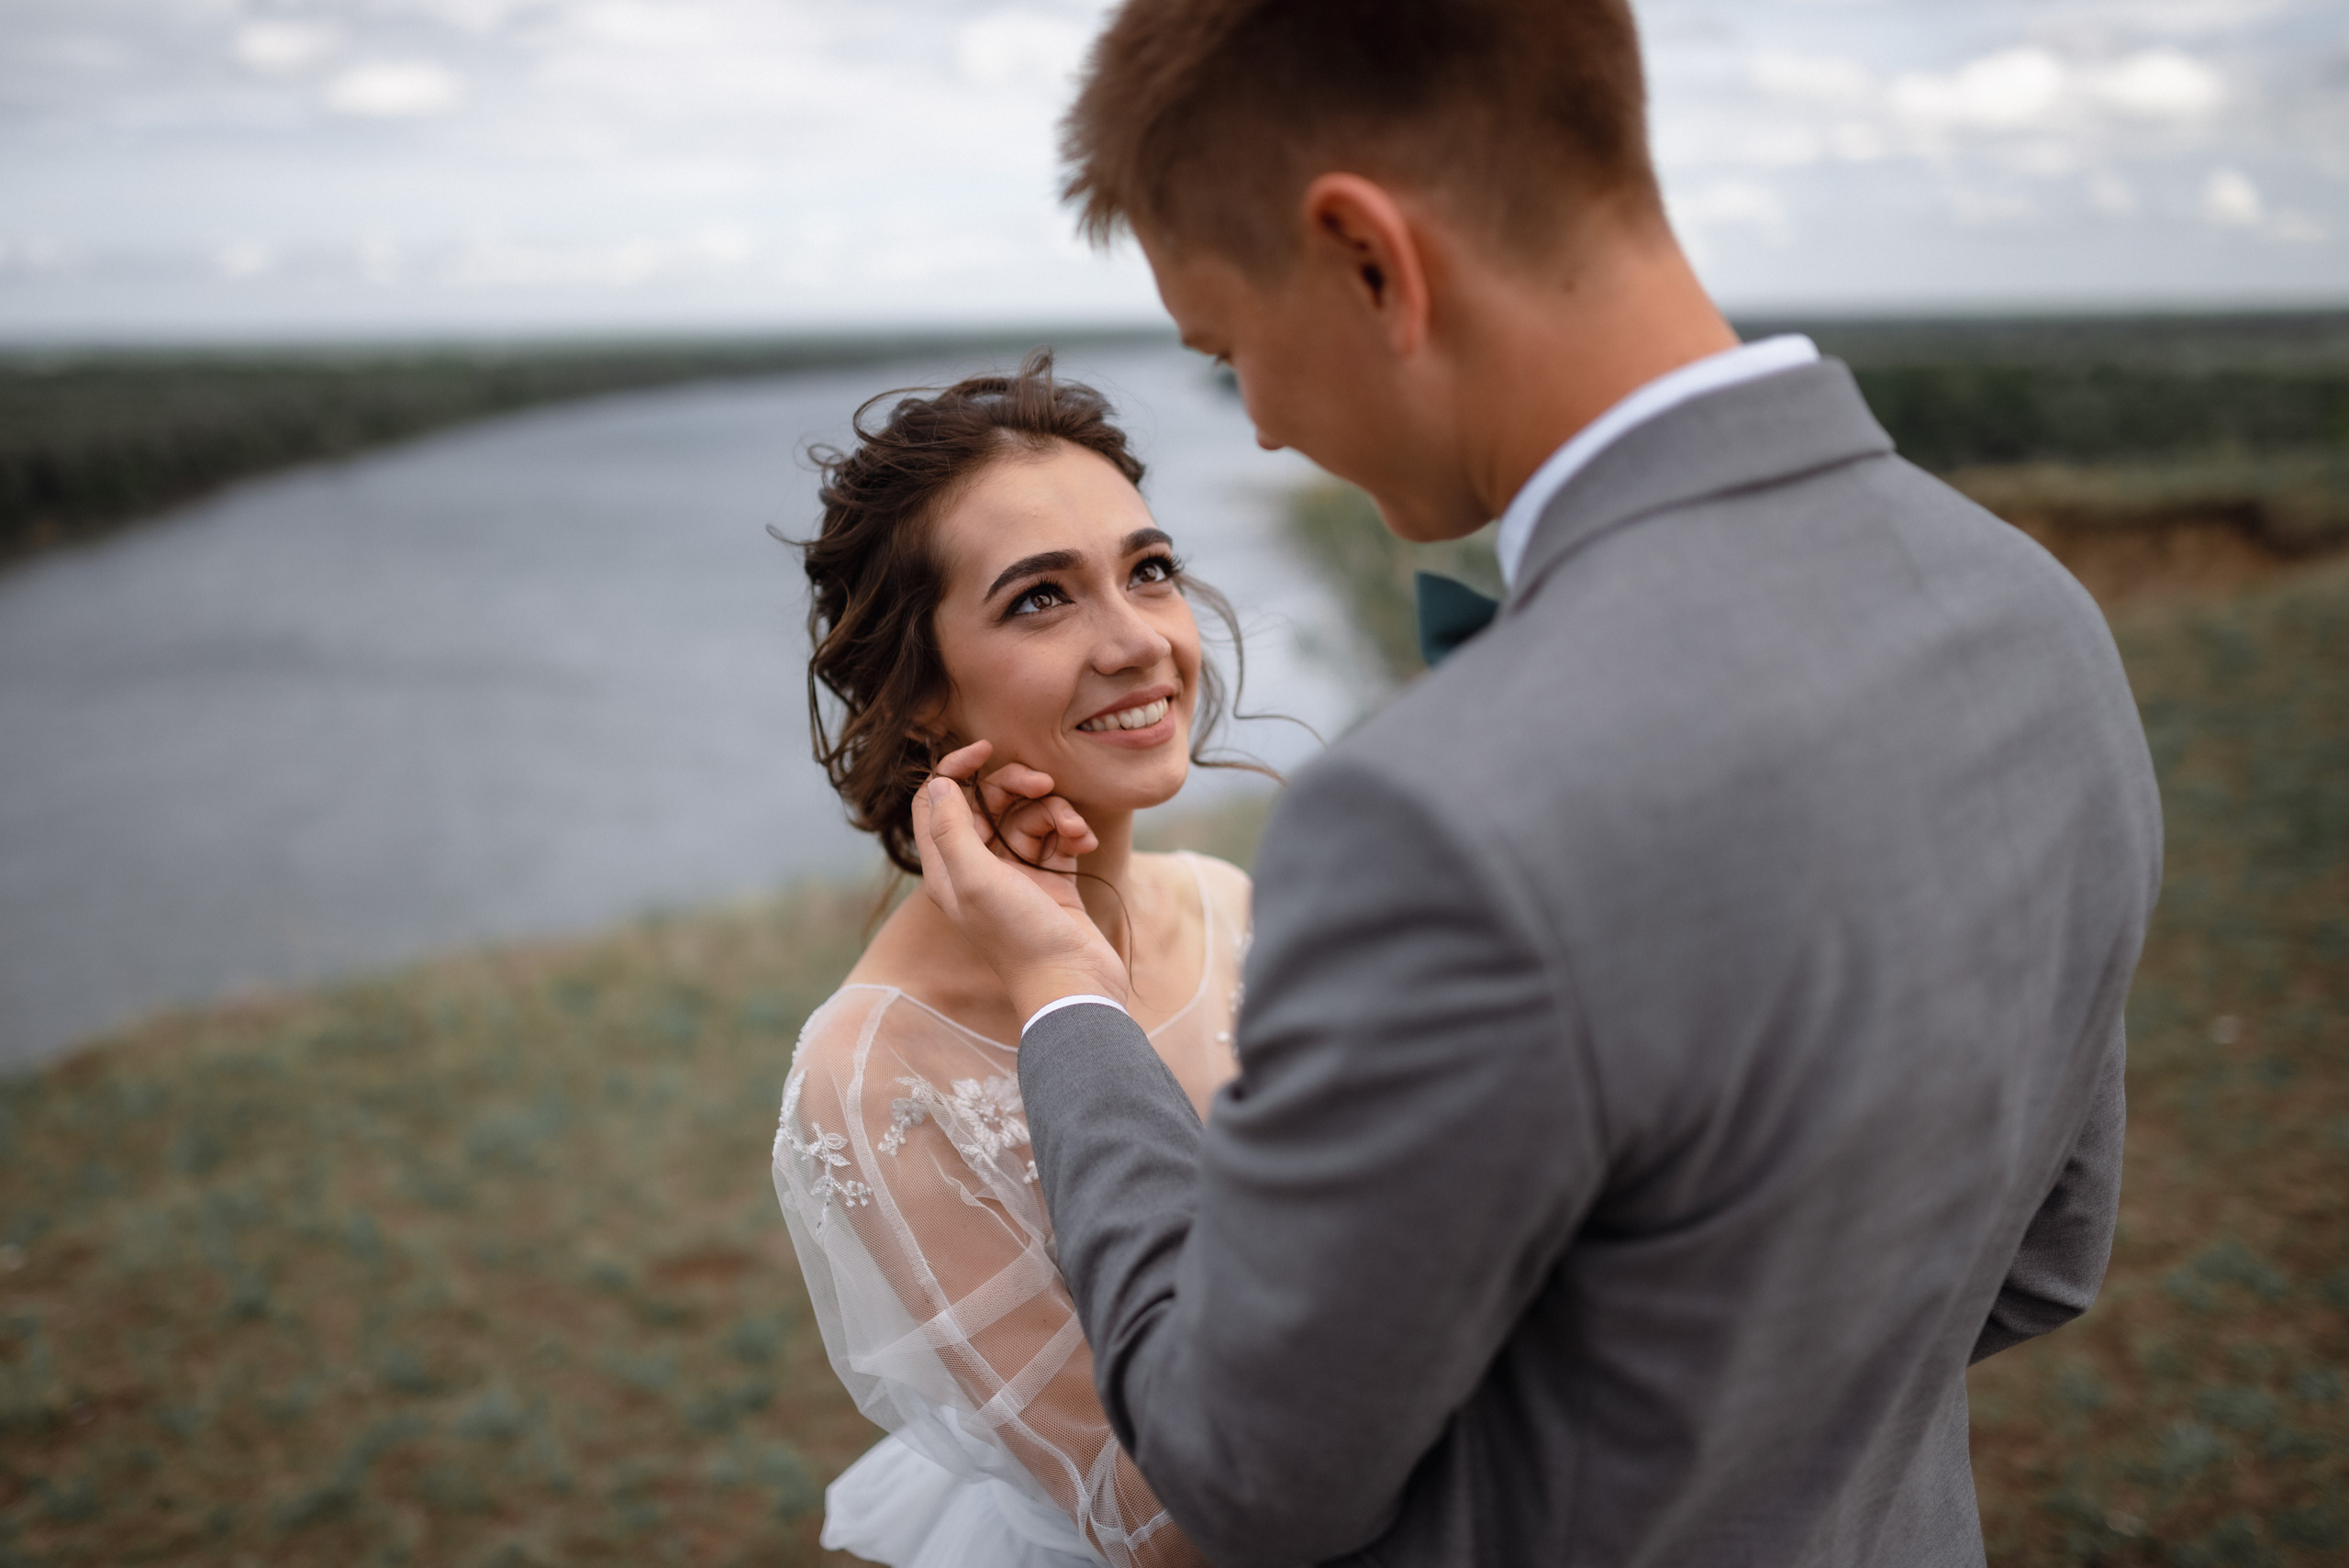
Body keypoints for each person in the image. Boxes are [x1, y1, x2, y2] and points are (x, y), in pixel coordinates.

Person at [908, 1, 2164, 1565]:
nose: (1276, 428)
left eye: (1234, 357)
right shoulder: (2034, 616)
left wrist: (1065, 996)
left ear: (1371, 259)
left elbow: (1249, 1471)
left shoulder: (1437, 818)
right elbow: (2043, 1262)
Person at [770, 355, 1249, 1567]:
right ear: (919, 693)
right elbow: (1168, 1524)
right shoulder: (878, 1070)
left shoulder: (1231, 905)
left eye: (1149, 571)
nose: (1139, 640)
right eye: (1042, 599)